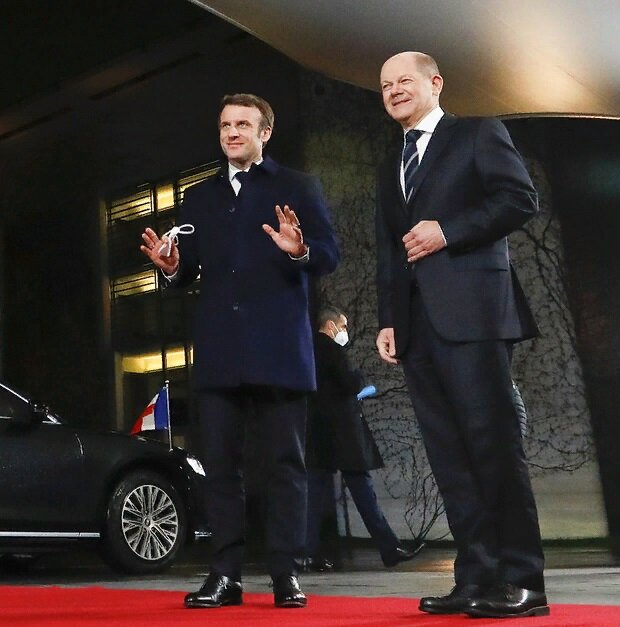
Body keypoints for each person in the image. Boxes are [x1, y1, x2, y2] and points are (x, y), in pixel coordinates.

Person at [140, 93, 338, 609]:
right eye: (226, 124)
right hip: (220, 350)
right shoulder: (199, 196)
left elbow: (329, 254)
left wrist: (301, 249)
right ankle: (225, 575)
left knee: (285, 466)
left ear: (264, 133)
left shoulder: (297, 186)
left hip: (279, 349)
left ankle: (286, 575)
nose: (232, 132)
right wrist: (172, 268)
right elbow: (189, 268)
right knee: (219, 466)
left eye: (243, 124)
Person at [375, 52, 547, 618]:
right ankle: (475, 578)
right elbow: (388, 247)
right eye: (385, 85)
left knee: (493, 448)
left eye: (404, 80)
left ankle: (524, 582)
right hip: (417, 327)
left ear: (436, 83)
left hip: (474, 316)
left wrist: (448, 231)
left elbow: (519, 199)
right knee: (449, 458)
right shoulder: (391, 159)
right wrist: (389, 318)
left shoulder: (477, 133)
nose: (394, 90)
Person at [304, 305, 424, 570]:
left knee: (314, 496)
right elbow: (350, 381)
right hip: (344, 435)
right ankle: (389, 548)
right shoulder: (332, 350)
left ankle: (306, 553)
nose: (345, 331)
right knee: (363, 492)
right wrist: (359, 379)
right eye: (342, 326)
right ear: (330, 326)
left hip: (320, 435)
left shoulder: (310, 350)